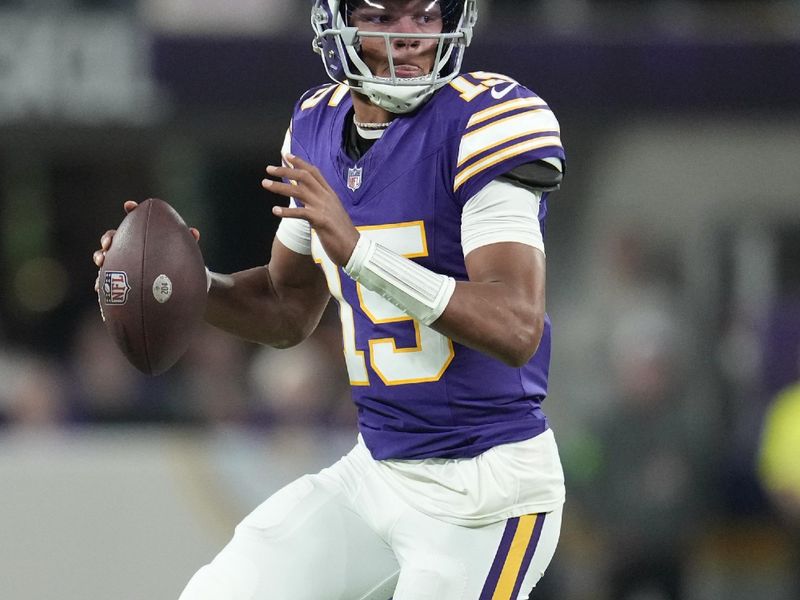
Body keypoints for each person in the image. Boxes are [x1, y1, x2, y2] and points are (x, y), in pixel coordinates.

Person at [93, 1, 567, 598]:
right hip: (377, 471)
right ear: (336, 21)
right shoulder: (316, 124)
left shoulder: (488, 120)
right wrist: (181, 285)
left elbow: (516, 326)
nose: (411, 37)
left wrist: (359, 252)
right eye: (386, 16)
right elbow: (285, 308)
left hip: (487, 492)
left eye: (425, 16)